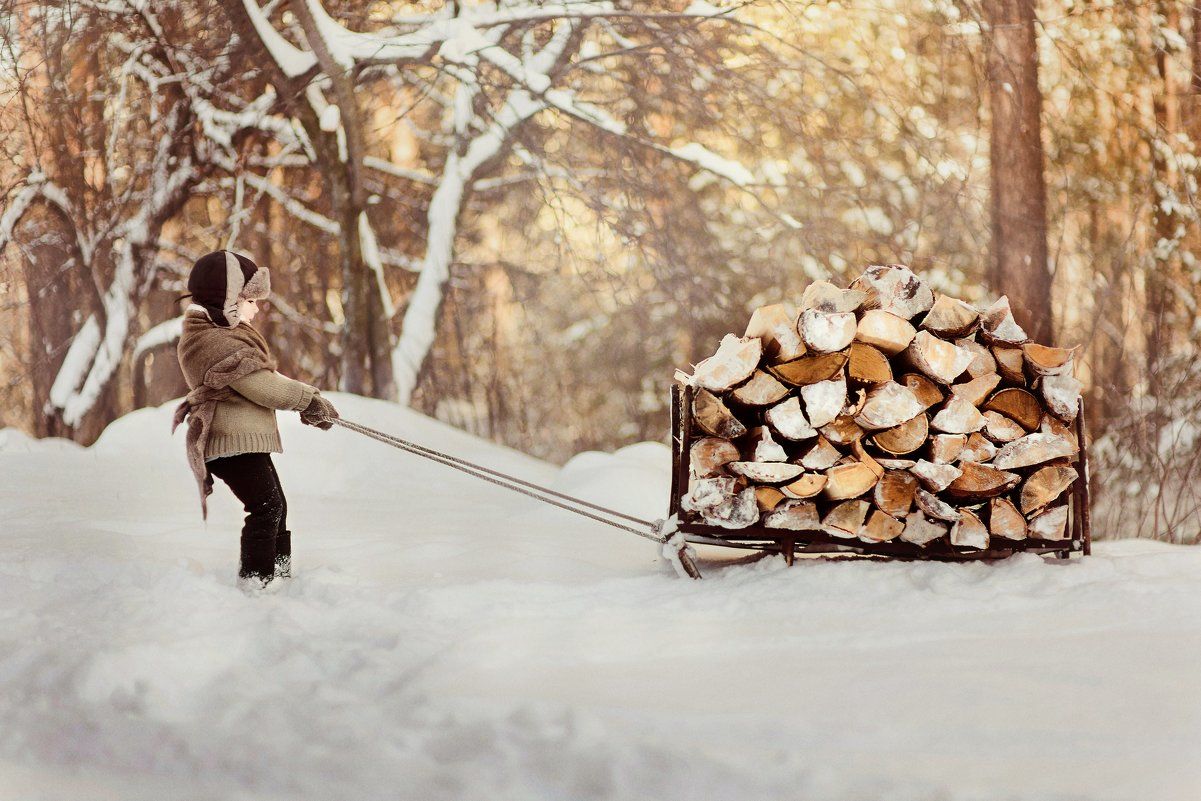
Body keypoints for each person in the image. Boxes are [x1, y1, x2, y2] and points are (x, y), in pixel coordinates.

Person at [173, 250, 339, 591]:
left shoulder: (222, 334)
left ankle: (279, 577)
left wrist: (309, 400)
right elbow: (261, 385)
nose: (257, 307)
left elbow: (265, 376)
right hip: (229, 441)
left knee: (276, 506)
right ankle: (257, 584)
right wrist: (308, 400)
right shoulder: (212, 339)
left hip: (242, 441)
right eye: (250, 299)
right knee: (265, 508)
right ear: (229, 298)